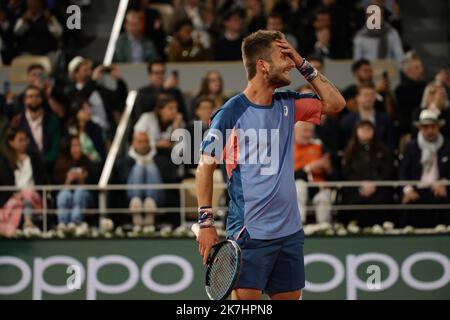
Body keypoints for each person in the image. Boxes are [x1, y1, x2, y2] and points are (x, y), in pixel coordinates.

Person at [196, 30, 345, 300]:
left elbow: (336, 104)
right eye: (283, 57)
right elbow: (204, 167)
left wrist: (302, 63)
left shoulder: (288, 103)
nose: (289, 63)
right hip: (250, 233)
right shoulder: (230, 112)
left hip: (290, 233)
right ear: (263, 66)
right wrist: (206, 223)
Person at [399, 109, 450, 227]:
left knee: (443, 200)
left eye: (433, 127)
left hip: (438, 189)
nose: (430, 130)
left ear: (438, 127)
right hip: (417, 188)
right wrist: (408, 189)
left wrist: (444, 182)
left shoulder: (447, 146)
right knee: (409, 202)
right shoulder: (411, 147)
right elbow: (403, 172)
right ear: (420, 128)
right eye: (426, 127)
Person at [340, 120, 394, 227]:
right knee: (350, 201)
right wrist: (360, 185)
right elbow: (346, 174)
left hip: (378, 190)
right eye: (362, 129)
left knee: (383, 200)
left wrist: (375, 184)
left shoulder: (384, 151)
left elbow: (387, 171)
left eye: (368, 129)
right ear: (356, 131)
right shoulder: (349, 152)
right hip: (356, 190)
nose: (365, 131)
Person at [0, 127, 46, 237]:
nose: (24, 143)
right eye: (20, 140)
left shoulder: (35, 158)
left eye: (26, 140)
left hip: (33, 197)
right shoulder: (4, 162)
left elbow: (43, 180)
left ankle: (28, 222)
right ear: (11, 142)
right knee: (14, 203)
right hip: (12, 197)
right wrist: (14, 194)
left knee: (27, 195)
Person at [115, 131, 164, 227]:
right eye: (140, 142)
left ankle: (150, 203)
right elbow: (122, 180)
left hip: (157, 198)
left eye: (146, 142)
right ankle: (136, 202)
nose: (143, 145)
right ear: (133, 143)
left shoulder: (160, 160)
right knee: (138, 168)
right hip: (131, 196)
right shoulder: (123, 162)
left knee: (151, 167)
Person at [53, 135, 99, 225]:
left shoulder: (87, 161)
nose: (77, 149)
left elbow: (94, 183)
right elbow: (56, 184)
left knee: (79, 192)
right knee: (64, 195)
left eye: (78, 146)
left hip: (85, 195)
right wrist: (68, 180)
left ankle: (75, 223)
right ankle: (62, 224)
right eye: (74, 146)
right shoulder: (60, 163)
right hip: (67, 191)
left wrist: (83, 179)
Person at [294, 121, 333, 224]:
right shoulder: (287, 148)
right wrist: (309, 168)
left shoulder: (319, 147)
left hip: (318, 186)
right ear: (294, 131)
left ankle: (324, 229)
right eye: (305, 131)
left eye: (311, 131)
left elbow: (333, 173)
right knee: (299, 187)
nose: (308, 135)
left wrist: (328, 169)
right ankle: (299, 224)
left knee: (323, 198)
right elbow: (288, 176)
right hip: (295, 188)